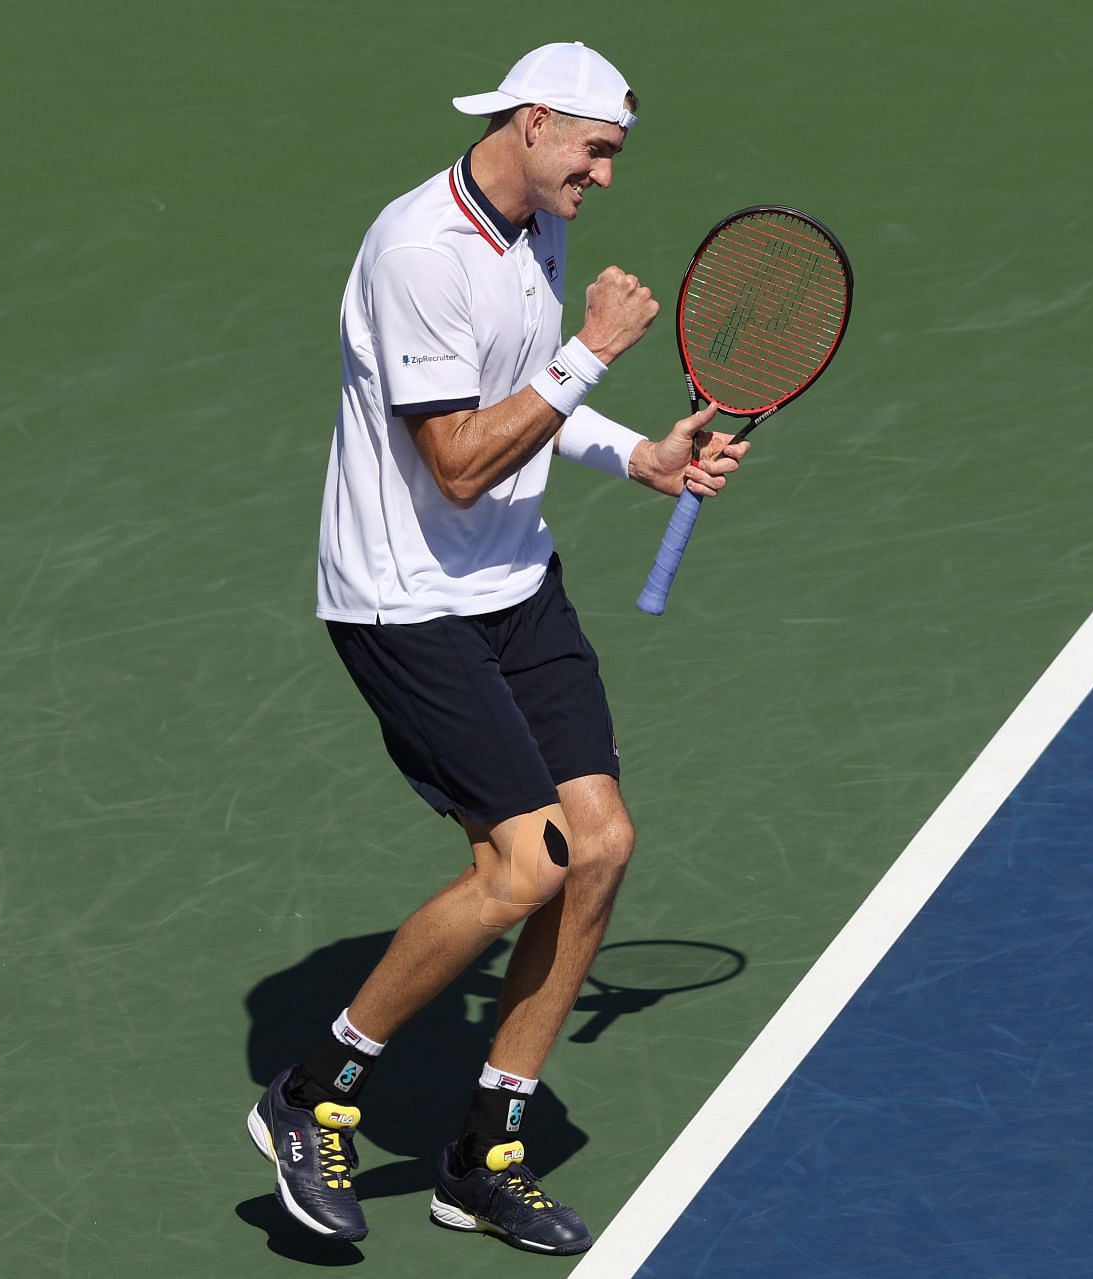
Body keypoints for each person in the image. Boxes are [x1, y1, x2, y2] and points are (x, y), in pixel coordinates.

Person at [245, 41, 747, 1255]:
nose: (605, 177)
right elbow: (461, 461)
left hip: (513, 583)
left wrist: (635, 454)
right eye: (596, 150)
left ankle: (486, 1152)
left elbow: (525, 407)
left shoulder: (536, 226)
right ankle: (313, 1094)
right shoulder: (421, 251)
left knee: (602, 844)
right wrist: (597, 351)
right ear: (533, 122)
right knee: (522, 868)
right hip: (405, 600)